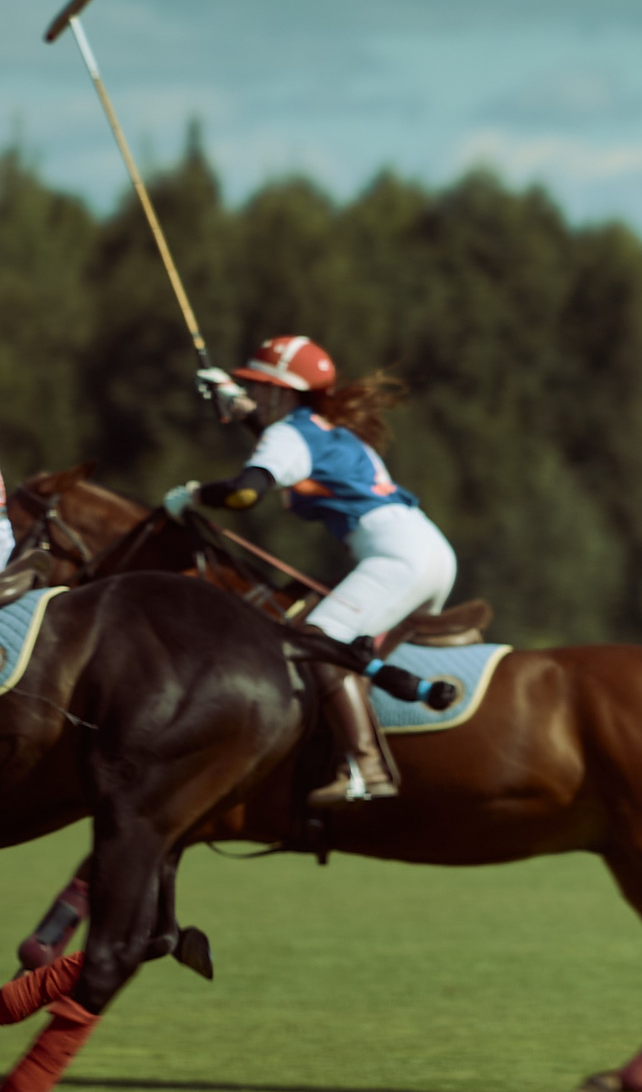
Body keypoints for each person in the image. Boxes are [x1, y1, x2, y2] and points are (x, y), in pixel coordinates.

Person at [162, 335, 457, 807]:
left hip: (395, 556)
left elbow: (243, 493)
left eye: (259, 386)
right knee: (353, 663)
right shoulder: (330, 429)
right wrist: (238, 406)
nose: (254, 393)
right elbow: (287, 446)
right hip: (430, 551)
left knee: (318, 639)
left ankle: (369, 768)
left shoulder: (289, 436)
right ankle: (347, 758)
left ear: (282, 391)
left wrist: (193, 496)